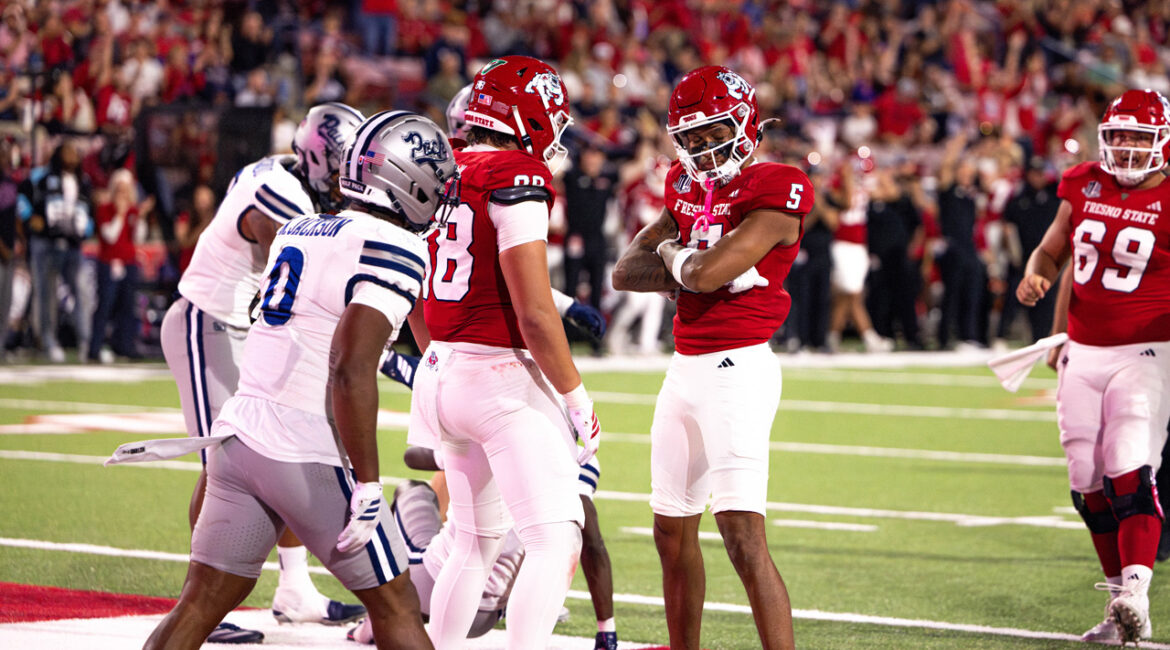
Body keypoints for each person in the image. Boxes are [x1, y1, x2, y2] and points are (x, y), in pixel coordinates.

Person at [143, 109, 458, 650]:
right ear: (408, 180)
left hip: (239, 437)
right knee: (396, 604)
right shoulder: (396, 246)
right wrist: (367, 482)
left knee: (201, 600)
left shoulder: (300, 225)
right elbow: (348, 366)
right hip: (304, 449)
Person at [612, 65, 812, 650]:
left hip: (739, 369)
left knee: (743, 536)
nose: (701, 148)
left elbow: (702, 272)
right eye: (691, 138)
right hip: (685, 368)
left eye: (713, 132)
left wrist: (676, 257)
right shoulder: (684, 184)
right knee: (669, 532)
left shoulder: (776, 186)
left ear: (746, 123)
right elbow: (626, 271)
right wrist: (686, 266)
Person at [408, 56, 599, 649]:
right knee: (554, 537)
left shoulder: (442, 167)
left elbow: (415, 289)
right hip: (499, 380)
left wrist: (438, 358)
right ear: (532, 115)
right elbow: (536, 314)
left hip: (441, 369)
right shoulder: (517, 176)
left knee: (472, 539)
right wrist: (576, 397)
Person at [158, 102, 367, 643]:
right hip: (207, 322)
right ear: (321, 159)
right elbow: (292, 266)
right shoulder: (283, 193)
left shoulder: (279, 169)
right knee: (224, 458)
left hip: (241, 326)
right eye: (344, 164)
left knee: (283, 444)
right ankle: (199, 600)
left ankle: (294, 589)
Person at [1016, 88, 1170, 645]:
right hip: (1082, 348)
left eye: (1139, 137)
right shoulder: (1083, 182)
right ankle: (1116, 603)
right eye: (1120, 136)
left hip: (1147, 349)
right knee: (1086, 481)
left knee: (1130, 463)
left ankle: (1137, 592)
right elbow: (1052, 250)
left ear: (1162, 142)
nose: (1128, 148)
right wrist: (1038, 274)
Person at [347, 446, 617, 650]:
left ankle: (378, 615)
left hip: (439, 586)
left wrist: (451, 451)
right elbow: (591, 542)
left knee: (409, 490)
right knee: (549, 539)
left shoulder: (493, 428)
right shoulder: (579, 455)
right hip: (493, 612)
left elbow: (412, 456)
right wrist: (607, 629)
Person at [443, 84, 606, 341]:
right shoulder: (506, 180)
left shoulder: (445, 176)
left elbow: (499, 272)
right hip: (480, 336)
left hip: (447, 325)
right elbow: (522, 290)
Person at [21, 139, 92, 362]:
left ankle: (85, 342)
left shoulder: (83, 181)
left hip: (72, 245)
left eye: (75, 152)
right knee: (45, 294)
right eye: (68, 150)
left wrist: (86, 229)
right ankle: (48, 341)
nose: (73, 155)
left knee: (81, 292)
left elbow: (89, 211)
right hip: (46, 243)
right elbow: (21, 196)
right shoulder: (40, 176)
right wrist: (29, 218)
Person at [89, 168, 151, 362]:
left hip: (128, 262)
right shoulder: (105, 209)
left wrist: (140, 217)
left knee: (127, 306)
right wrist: (120, 214)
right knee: (105, 305)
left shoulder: (133, 211)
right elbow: (110, 236)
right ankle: (95, 348)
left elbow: (139, 236)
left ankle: (125, 346)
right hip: (109, 263)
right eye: (119, 190)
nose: (123, 195)